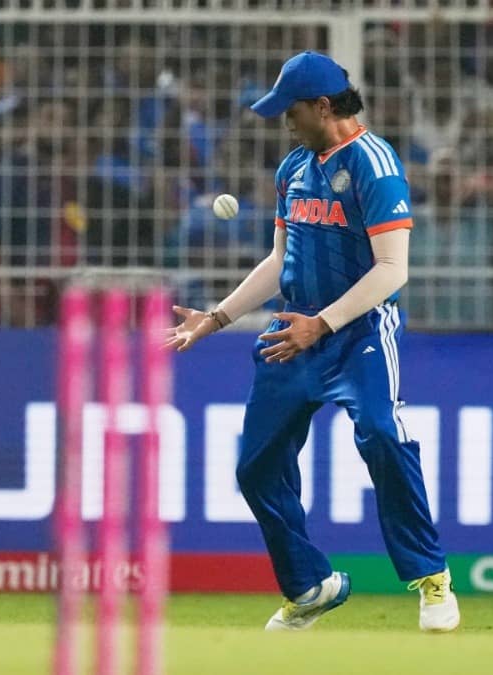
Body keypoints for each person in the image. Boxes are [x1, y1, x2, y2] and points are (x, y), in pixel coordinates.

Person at [165, 51, 459, 633]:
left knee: (381, 433)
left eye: (290, 110)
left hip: (360, 333)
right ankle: (310, 586)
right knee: (255, 469)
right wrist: (218, 317)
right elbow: (280, 260)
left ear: (323, 107)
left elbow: (392, 270)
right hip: (290, 333)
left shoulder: (376, 164)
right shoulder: (294, 167)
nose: (284, 121)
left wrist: (321, 323)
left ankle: (431, 579)